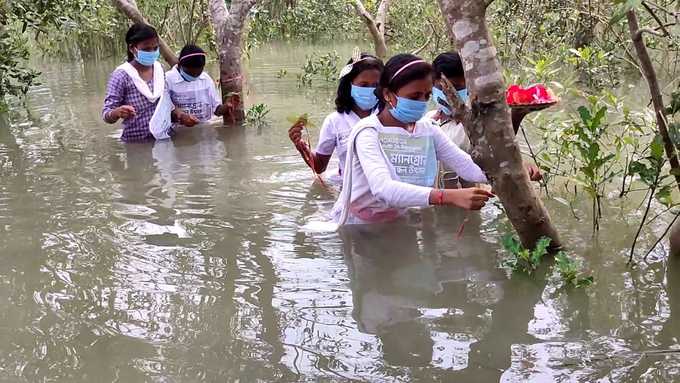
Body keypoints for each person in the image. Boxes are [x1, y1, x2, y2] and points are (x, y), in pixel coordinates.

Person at [332, 54, 496, 225]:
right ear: (388, 94)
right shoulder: (368, 132)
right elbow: (383, 188)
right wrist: (447, 196)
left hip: (398, 221)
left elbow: (467, 166)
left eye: (426, 96)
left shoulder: (428, 129)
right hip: (356, 226)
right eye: (414, 96)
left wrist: (511, 171)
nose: (421, 102)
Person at [428, 52, 542, 186]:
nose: (449, 94)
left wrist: (517, 115)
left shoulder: (475, 122)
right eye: (441, 88)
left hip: (466, 204)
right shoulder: (428, 120)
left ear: (468, 87)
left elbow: (496, 146)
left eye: (457, 88)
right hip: (428, 203)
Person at [288, 53, 384, 179]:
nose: (370, 90)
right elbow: (319, 166)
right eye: (364, 85)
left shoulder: (388, 116)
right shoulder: (335, 121)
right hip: (348, 191)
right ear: (350, 85)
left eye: (376, 85)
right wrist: (301, 145)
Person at [165, 44, 226, 126]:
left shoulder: (205, 79)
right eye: (191, 73)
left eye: (198, 73)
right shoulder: (168, 79)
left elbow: (216, 109)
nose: (195, 76)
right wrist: (181, 117)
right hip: (178, 131)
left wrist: (226, 107)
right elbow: (163, 111)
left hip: (204, 128)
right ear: (180, 65)